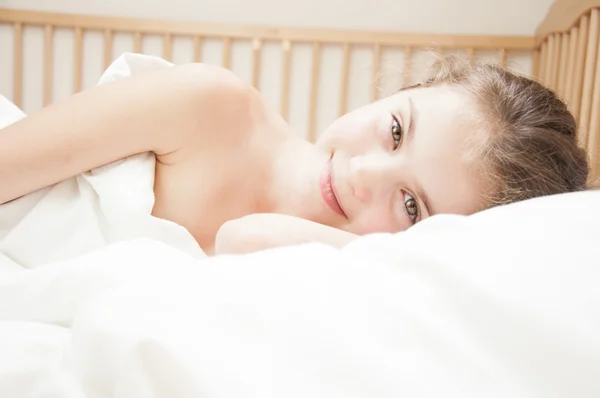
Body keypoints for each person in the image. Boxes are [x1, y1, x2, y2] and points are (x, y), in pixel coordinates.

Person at [0, 55, 590, 255]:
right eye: (394, 130)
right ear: (400, 92)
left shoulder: (346, 273)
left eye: (412, 205)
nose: (363, 175)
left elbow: (243, 238)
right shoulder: (210, 104)